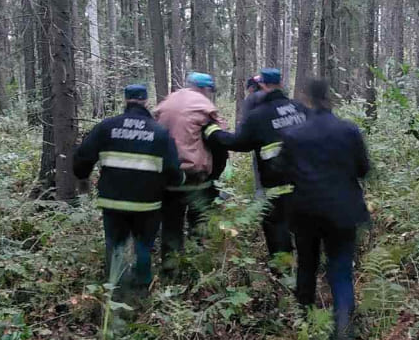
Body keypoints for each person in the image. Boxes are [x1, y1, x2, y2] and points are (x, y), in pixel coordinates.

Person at [279, 78, 370, 340]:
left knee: (306, 266)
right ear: (329, 98)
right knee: (341, 273)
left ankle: (306, 330)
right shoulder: (349, 130)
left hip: (305, 212)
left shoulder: (294, 135)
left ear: (306, 98)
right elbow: (363, 169)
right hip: (343, 213)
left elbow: (281, 171)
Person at [73, 84, 184, 310]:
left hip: (113, 202)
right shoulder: (160, 132)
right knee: (144, 246)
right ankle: (142, 292)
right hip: (148, 204)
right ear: (145, 100)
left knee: (116, 245)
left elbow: (82, 157)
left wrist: (82, 175)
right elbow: (173, 171)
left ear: (125, 99)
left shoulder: (106, 127)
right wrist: (176, 183)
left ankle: (115, 292)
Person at [218, 68, 307, 260]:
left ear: (262, 84)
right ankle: (307, 262)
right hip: (306, 180)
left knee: (277, 224)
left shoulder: (259, 115)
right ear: (281, 84)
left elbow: (239, 142)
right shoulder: (300, 108)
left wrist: (213, 133)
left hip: (276, 184)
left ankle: (282, 270)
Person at [154, 72, 229, 265]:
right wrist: (214, 177)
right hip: (195, 176)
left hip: (167, 176)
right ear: (204, 89)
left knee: (171, 225)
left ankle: (170, 268)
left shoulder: (168, 102)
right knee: (198, 223)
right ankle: (198, 265)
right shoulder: (203, 106)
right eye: (210, 90)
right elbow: (220, 142)